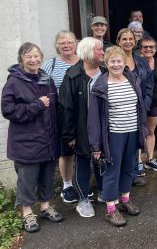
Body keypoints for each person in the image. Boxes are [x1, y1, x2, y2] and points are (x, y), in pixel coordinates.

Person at [2, 43, 63, 233]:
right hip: (26, 142)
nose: (34, 60)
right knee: (27, 180)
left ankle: (45, 207)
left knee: (46, 176)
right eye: (29, 56)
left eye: (37, 56)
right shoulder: (14, 81)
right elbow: (8, 110)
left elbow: (55, 108)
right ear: (21, 58)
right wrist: (36, 106)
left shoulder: (47, 79)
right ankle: (27, 212)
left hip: (49, 139)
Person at [88, 46, 147, 227]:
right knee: (112, 171)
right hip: (113, 135)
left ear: (124, 62)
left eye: (119, 61)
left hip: (132, 131)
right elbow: (94, 118)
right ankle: (110, 210)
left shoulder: (131, 78)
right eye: (112, 61)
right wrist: (96, 145)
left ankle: (125, 199)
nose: (116, 65)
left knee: (129, 168)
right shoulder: (99, 85)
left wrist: (142, 130)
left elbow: (140, 107)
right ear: (106, 63)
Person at [59, 37, 106, 218]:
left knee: (103, 160)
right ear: (88, 53)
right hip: (81, 130)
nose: (103, 52)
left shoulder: (105, 72)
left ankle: (105, 192)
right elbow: (66, 107)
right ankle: (83, 200)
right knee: (83, 163)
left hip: (104, 129)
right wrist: (69, 135)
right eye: (99, 50)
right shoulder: (73, 75)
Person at [42, 30, 80, 204]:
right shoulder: (51, 65)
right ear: (57, 46)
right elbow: (40, 88)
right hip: (61, 115)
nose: (66, 45)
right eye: (62, 43)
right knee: (66, 152)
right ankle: (67, 185)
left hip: (82, 113)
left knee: (84, 150)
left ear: (76, 44)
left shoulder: (83, 62)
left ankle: (81, 182)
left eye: (70, 42)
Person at [116, 28, 153, 184]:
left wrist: (145, 106)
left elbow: (150, 85)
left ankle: (131, 174)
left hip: (140, 109)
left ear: (135, 41)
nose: (128, 42)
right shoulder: (114, 60)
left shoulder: (141, 60)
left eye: (131, 39)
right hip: (120, 111)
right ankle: (120, 177)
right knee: (120, 146)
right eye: (124, 39)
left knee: (135, 143)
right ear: (118, 42)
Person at [140, 36, 157, 171]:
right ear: (141, 49)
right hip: (140, 101)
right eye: (145, 47)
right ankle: (138, 162)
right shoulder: (136, 62)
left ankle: (150, 159)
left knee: (151, 131)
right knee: (139, 131)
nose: (148, 49)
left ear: (155, 49)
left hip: (155, 100)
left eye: (151, 47)